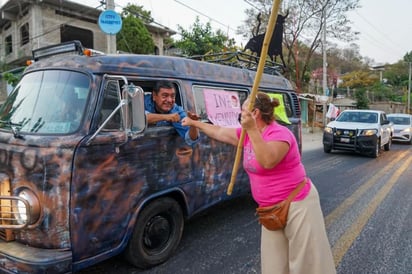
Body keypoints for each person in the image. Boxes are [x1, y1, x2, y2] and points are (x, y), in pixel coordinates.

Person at [182, 92, 336, 274]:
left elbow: (267, 160)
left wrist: (252, 130)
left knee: (308, 265)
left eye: (243, 110)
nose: (240, 114)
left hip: (298, 205)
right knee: (274, 267)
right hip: (270, 210)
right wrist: (194, 124)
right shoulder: (246, 134)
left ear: (254, 113)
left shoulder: (280, 134)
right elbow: (219, 131)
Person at [145, 80, 200, 146]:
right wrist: (167, 117)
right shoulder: (141, 101)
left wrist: (193, 124)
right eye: (165, 96)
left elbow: (191, 139)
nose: (169, 100)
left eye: (172, 96)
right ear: (154, 96)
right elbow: (139, 118)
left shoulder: (176, 111)